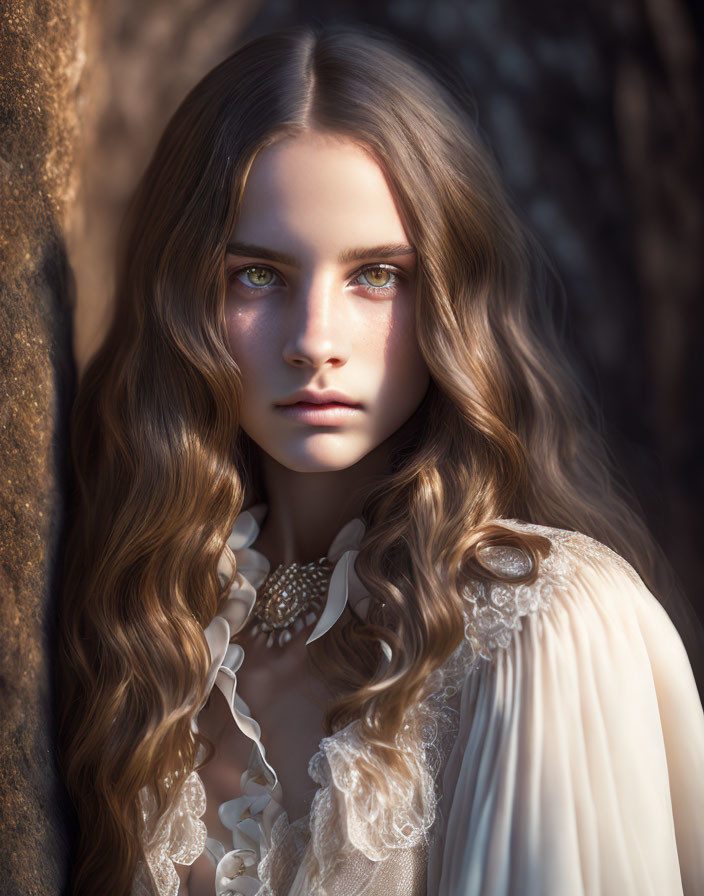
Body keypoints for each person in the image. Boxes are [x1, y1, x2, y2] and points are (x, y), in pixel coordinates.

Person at [56, 23, 704, 896]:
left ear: (450, 295)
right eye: (257, 275)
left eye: (377, 275)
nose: (314, 342)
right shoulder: (147, 633)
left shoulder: (540, 628)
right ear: (182, 299)